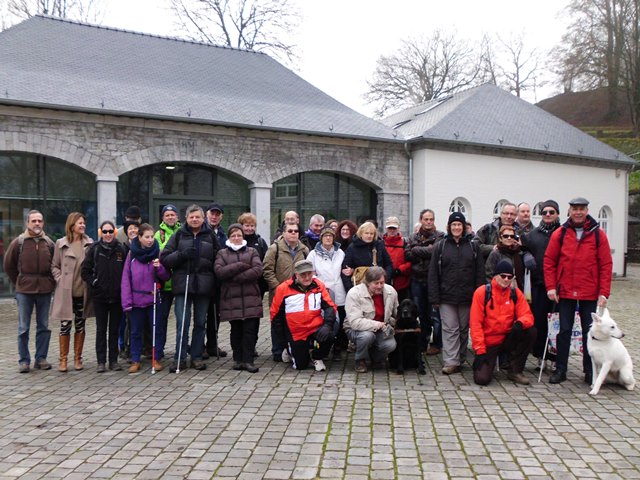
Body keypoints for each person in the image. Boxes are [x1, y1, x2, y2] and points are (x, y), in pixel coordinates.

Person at [544, 197, 613, 385]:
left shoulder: (598, 234)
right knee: (564, 330)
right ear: (570, 211)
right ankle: (561, 369)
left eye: (581, 209)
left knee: (589, 332)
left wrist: (604, 292)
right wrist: (551, 286)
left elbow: (606, 265)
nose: (578, 212)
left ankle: (589, 370)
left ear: (587, 210)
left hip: (589, 291)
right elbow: (550, 261)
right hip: (565, 290)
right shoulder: (560, 233)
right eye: (575, 209)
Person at [161, 204, 220, 372]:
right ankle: (179, 358)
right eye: (191, 217)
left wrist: (216, 278)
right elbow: (165, 258)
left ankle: (196, 357)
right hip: (183, 283)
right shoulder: (179, 235)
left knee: (200, 322)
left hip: (204, 285)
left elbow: (219, 257)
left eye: (198, 217)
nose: (195, 220)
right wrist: (182, 255)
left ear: (203, 218)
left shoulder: (210, 235)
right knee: (183, 322)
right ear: (186, 218)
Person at [428, 212, 484, 375]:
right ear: (449, 227)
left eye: (459, 225)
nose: (457, 228)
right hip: (446, 296)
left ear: (464, 227)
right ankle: (451, 361)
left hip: (468, 296)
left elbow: (479, 273)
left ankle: (460, 358)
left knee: (463, 329)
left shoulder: (473, 247)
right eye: (454, 225)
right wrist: (434, 297)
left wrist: (479, 296)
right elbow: (433, 273)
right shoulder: (441, 246)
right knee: (450, 329)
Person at [3, 210, 56, 373]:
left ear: (43, 223)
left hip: (45, 290)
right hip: (24, 291)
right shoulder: (18, 242)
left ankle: (40, 358)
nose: (37, 224)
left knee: (44, 326)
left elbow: (56, 264)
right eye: (34, 221)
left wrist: (51, 283)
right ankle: (24, 361)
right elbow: (8, 265)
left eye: (40, 221)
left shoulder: (49, 243)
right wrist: (20, 281)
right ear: (28, 223)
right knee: (23, 327)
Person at [470, 260, 536, 385]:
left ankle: (515, 370)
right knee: (482, 379)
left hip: (509, 337)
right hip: (490, 341)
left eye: (509, 277)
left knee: (531, 331)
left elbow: (527, 315)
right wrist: (479, 349)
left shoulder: (515, 293)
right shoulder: (482, 292)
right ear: (495, 276)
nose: (506, 279)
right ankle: (487, 362)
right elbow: (475, 324)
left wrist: (520, 323)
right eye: (503, 276)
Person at [270, 260, 337, 372]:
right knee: (301, 366)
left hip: (315, 327)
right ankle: (289, 349)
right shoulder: (283, 288)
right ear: (296, 275)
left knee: (329, 336)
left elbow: (330, 306)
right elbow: (275, 315)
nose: (307, 278)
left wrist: (327, 325)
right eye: (303, 275)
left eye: (309, 274)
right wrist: (284, 340)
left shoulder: (319, 285)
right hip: (295, 332)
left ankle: (317, 356)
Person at [121, 223, 170, 373]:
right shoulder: (131, 255)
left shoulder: (158, 253)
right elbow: (126, 279)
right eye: (146, 237)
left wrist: (159, 268)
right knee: (135, 331)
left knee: (156, 329)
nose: (150, 240)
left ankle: (157, 358)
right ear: (140, 237)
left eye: (151, 237)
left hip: (153, 298)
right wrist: (127, 302)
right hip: (136, 300)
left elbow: (166, 276)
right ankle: (135, 359)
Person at [215, 224, 264, 373]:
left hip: (251, 297)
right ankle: (238, 359)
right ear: (229, 237)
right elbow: (219, 271)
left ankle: (248, 360)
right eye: (233, 235)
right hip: (231, 298)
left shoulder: (252, 251)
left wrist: (236, 277)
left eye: (239, 235)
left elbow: (257, 270)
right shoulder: (222, 253)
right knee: (236, 330)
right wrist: (240, 266)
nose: (237, 238)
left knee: (249, 330)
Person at [81, 220, 127, 372]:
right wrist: (94, 282)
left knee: (114, 330)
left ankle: (113, 361)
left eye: (110, 231)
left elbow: (127, 272)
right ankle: (101, 361)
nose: (108, 234)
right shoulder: (94, 249)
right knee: (101, 330)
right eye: (105, 231)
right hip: (100, 297)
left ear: (114, 232)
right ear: (101, 232)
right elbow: (85, 271)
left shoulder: (121, 249)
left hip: (117, 297)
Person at [51, 212, 94, 372]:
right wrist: (60, 279)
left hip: (82, 293)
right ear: (71, 225)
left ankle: (78, 358)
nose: (82, 225)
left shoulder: (89, 244)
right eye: (79, 223)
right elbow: (54, 265)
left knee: (80, 326)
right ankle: (63, 360)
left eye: (83, 223)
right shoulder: (61, 243)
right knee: (65, 326)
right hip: (66, 293)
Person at [521, 199, 561, 366]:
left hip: (559, 286)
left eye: (551, 212)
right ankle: (540, 356)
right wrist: (525, 255)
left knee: (557, 323)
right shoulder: (533, 235)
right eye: (544, 212)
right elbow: (523, 248)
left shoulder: (563, 233)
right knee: (539, 322)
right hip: (538, 284)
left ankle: (555, 357)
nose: (547, 215)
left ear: (557, 214)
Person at [263, 222, 309, 361]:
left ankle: (291, 349)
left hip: (298, 294)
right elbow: (267, 270)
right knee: (278, 321)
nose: (293, 233)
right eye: (290, 231)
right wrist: (278, 288)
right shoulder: (274, 249)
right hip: (279, 293)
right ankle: (277, 351)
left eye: (296, 231)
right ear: (283, 233)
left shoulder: (304, 250)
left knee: (293, 322)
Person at [405, 208, 445, 355]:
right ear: (421, 220)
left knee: (435, 315)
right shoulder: (413, 236)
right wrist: (425, 250)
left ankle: (437, 344)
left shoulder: (440, 236)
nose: (428, 222)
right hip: (417, 280)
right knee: (421, 313)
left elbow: (436, 251)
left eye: (431, 219)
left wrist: (418, 250)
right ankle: (423, 341)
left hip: (433, 280)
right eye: (426, 219)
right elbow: (408, 255)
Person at [344, 266, 398, 373]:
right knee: (367, 336)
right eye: (376, 283)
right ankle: (360, 360)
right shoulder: (354, 293)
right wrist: (378, 324)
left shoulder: (391, 292)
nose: (380, 286)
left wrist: (393, 325)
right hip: (356, 329)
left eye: (382, 282)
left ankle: (375, 358)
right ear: (367, 283)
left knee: (391, 345)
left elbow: (395, 314)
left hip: (381, 328)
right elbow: (355, 322)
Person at [306, 227, 347, 357]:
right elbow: (309, 273)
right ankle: (323, 345)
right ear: (321, 238)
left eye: (330, 236)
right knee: (325, 318)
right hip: (321, 290)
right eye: (325, 236)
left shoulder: (340, 252)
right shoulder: (313, 254)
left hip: (339, 289)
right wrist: (320, 283)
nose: (328, 238)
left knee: (340, 318)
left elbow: (344, 268)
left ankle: (338, 347)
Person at [153, 204, 181, 367]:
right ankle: (158, 352)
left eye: (173, 214)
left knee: (181, 319)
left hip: (178, 283)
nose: (170, 217)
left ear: (177, 217)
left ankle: (180, 349)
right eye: (167, 215)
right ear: (163, 218)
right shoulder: (158, 235)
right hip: (163, 285)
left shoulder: (182, 232)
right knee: (161, 320)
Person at [341, 221, 393, 293]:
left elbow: (389, 264)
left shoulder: (379, 245)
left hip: (379, 288)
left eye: (371, 233)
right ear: (361, 234)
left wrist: (384, 280)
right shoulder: (352, 248)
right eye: (366, 233)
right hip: (360, 289)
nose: (369, 236)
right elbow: (345, 271)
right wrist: (351, 290)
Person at [205, 202, 227, 359]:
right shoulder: (202, 231)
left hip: (218, 281)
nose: (214, 216)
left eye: (217, 214)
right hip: (203, 279)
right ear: (207, 214)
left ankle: (212, 345)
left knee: (215, 315)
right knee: (201, 315)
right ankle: (199, 346)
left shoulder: (223, 234)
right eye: (212, 213)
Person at [485, 225, 525, 290]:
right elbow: (489, 275)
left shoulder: (518, 253)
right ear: (500, 238)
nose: (509, 238)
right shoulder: (495, 253)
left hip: (517, 291)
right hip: (499, 290)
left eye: (512, 236)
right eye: (506, 236)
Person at [382, 216, 411, 302]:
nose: (392, 230)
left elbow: (410, 261)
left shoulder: (405, 243)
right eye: (390, 228)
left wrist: (399, 270)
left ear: (398, 228)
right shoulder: (380, 243)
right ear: (386, 228)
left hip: (401, 283)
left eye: (394, 228)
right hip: (384, 282)